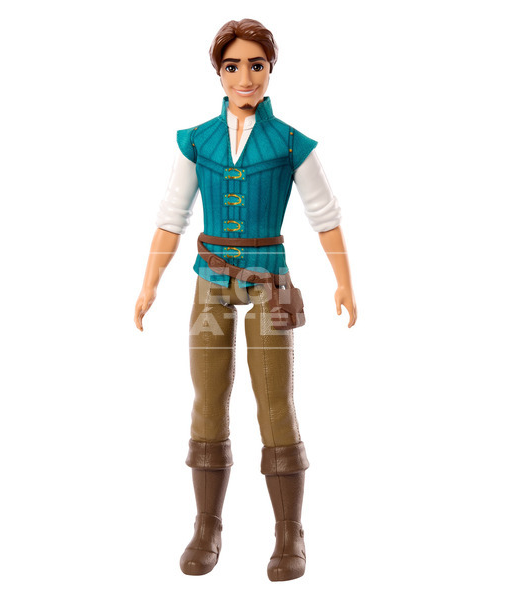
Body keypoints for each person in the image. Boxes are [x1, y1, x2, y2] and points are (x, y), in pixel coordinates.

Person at [134, 18, 357, 581]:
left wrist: (344, 281)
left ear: (270, 69)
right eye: (233, 66)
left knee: (274, 402)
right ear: (218, 72)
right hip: (211, 280)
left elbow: (325, 215)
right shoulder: (197, 141)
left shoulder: (290, 143)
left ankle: (289, 532)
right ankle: (207, 525)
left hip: (268, 283)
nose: (245, 77)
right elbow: (171, 217)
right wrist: (150, 282)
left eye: (256, 65)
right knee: (207, 399)